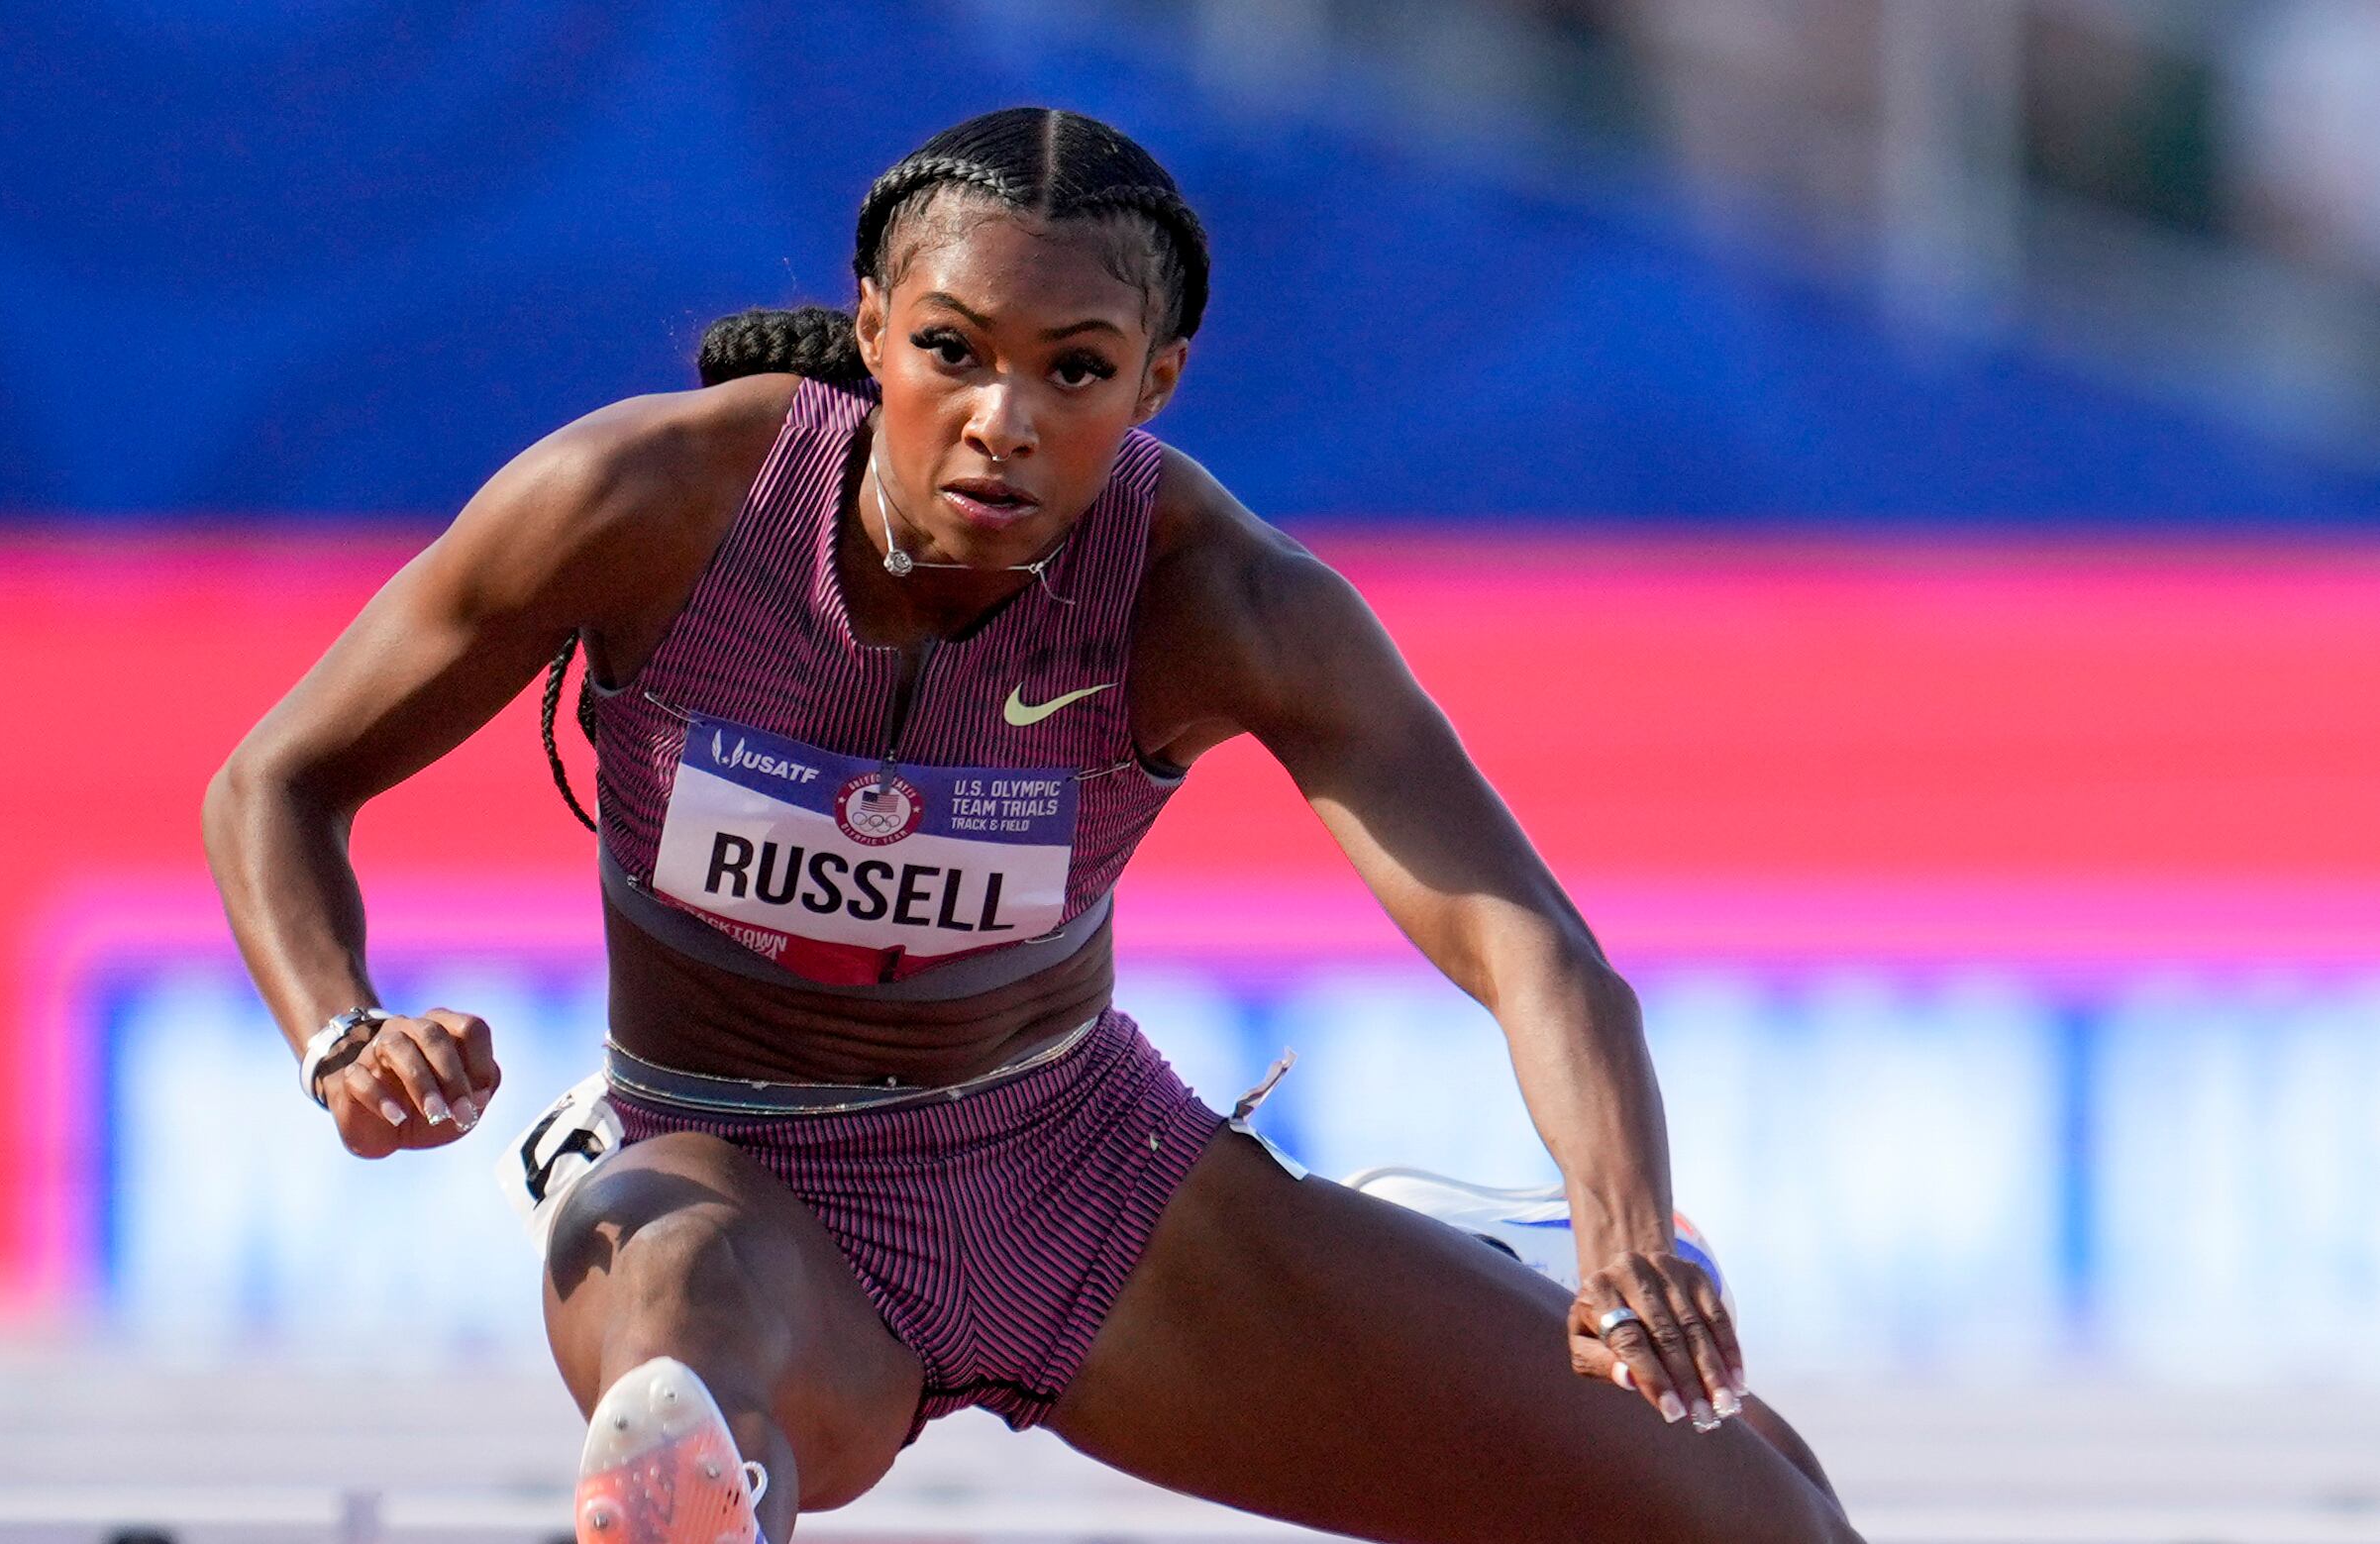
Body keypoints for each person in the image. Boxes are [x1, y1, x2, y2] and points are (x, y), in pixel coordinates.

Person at [202, 106, 1861, 1544]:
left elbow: (1526, 940)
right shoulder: (642, 505)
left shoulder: (1220, 598)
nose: (1004, 419)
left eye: (1074, 372)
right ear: (869, 329)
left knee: (1753, 1508)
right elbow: (274, 780)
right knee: (681, 1397)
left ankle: (1473, 1253)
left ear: (1156, 380)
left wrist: (1625, 1228)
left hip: (1087, 1187)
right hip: (730, 1169)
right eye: (953, 352)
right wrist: (337, 1026)